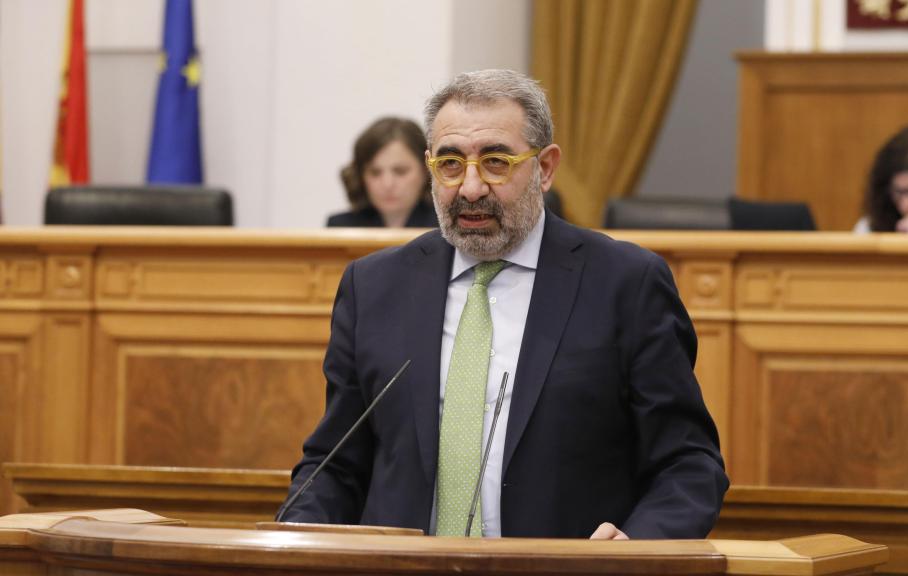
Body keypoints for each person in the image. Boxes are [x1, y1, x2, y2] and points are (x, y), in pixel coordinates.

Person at [283, 70, 728, 539]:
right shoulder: (374, 287)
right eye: (451, 164)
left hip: (565, 571)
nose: (471, 188)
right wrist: (295, 538)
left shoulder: (625, 283)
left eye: (496, 162)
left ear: (545, 168)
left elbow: (687, 462)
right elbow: (334, 465)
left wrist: (636, 547)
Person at [326, 117, 438, 228]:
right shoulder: (340, 227)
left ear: (426, 170)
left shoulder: (444, 226)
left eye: (400, 171)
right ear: (360, 175)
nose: (387, 184)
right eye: (375, 173)